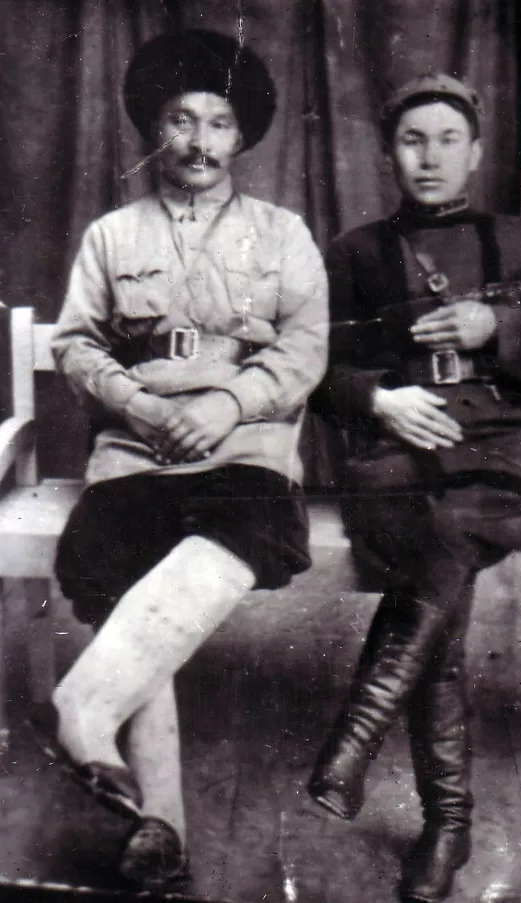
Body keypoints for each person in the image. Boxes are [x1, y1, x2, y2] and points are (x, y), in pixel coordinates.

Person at [38, 29, 327, 893]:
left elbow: (305, 347)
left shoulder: (283, 234)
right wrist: (140, 405)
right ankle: (158, 824)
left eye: (220, 123)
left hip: (245, 440)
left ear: (242, 136)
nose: (200, 142)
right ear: (153, 130)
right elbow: (77, 344)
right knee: (115, 560)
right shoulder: (111, 235)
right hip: (138, 443)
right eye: (181, 120)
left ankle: (85, 710)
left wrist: (225, 404)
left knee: (243, 526)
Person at [307, 73, 521, 903]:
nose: (428, 157)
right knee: (439, 555)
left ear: (475, 152)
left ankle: (366, 753)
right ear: (387, 153)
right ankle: (446, 824)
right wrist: (377, 399)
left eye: (446, 140)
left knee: (441, 540)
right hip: (398, 453)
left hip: (503, 456)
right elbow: (311, 366)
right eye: (412, 140)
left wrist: (496, 324)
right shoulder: (355, 252)